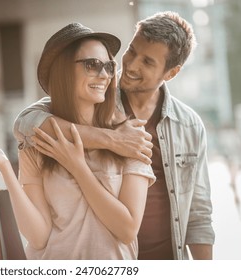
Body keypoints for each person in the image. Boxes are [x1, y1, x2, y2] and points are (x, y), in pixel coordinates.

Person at [13, 12, 215, 260]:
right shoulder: (94, 101)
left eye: (148, 62)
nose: (131, 65)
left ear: (171, 73)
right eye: (131, 52)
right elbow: (26, 122)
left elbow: (199, 214)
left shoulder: (189, 126)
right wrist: (112, 139)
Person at [0, 23, 156, 260]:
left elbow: (127, 230)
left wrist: (78, 167)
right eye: (92, 65)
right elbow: (39, 236)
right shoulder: (38, 142)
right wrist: (4, 166)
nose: (104, 75)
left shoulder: (130, 140)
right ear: (63, 71)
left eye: (109, 66)